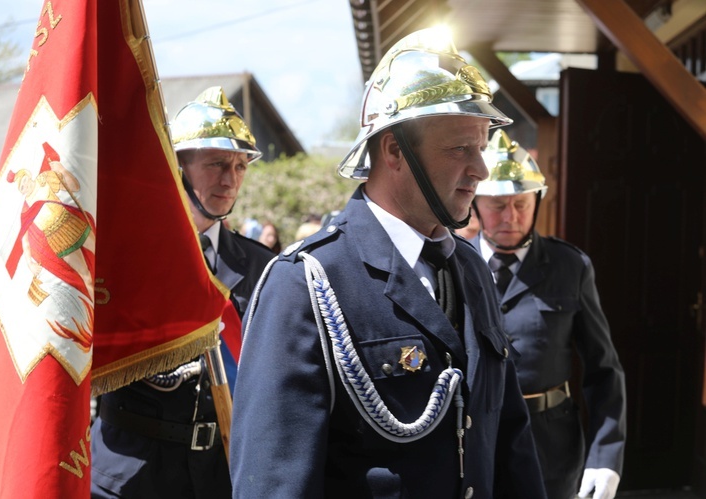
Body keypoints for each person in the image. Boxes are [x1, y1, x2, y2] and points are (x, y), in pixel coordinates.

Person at [230, 28, 546, 498]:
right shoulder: (306, 283)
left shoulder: (471, 269)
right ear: (394, 150)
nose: (480, 168)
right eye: (461, 147)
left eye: (481, 147)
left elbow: (508, 442)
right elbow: (274, 483)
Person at [90, 86, 275, 498]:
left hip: (220, 473)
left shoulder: (262, 265)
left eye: (241, 166)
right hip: (130, 472)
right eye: (216, 164)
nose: (231, 180)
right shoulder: (122, 260)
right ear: (176, 168)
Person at [469, 129, 626, 499]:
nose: (510, 216)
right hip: (475, 440)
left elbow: (604, 370)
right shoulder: (452, 263)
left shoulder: (570, 266)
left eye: (521, 203)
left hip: (551, 445)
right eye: (497, 205)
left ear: (537, 202)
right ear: (475, 204)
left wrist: (605, 456)